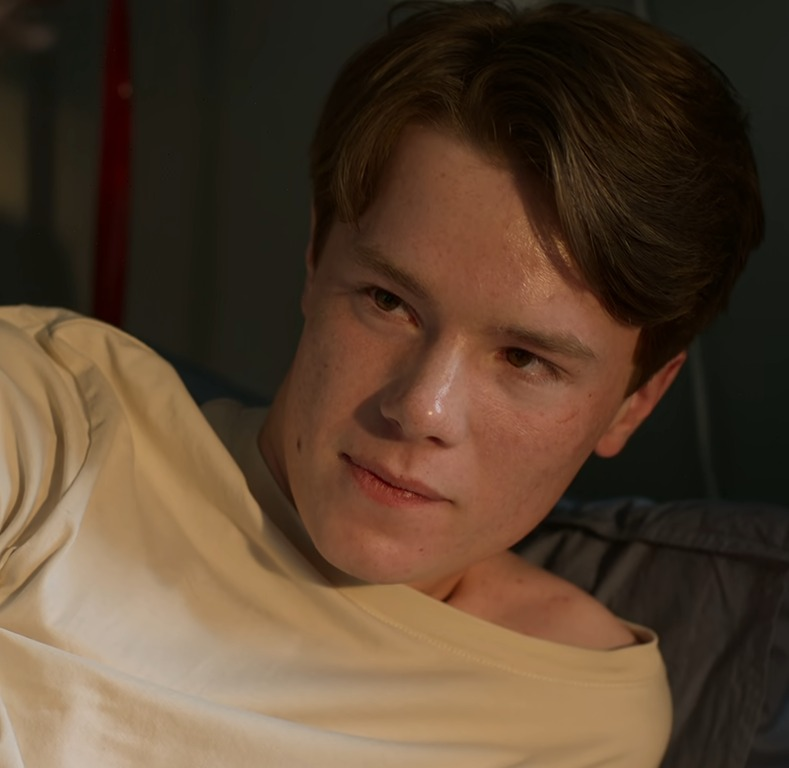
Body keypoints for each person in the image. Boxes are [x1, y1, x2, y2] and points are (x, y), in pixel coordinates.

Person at [0, 2, 764, 766]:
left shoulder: (587, 711)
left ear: (635, 402)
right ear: (315, 256)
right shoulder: (61, 421)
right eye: (388, 302)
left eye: (524, 359)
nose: (422, 407)